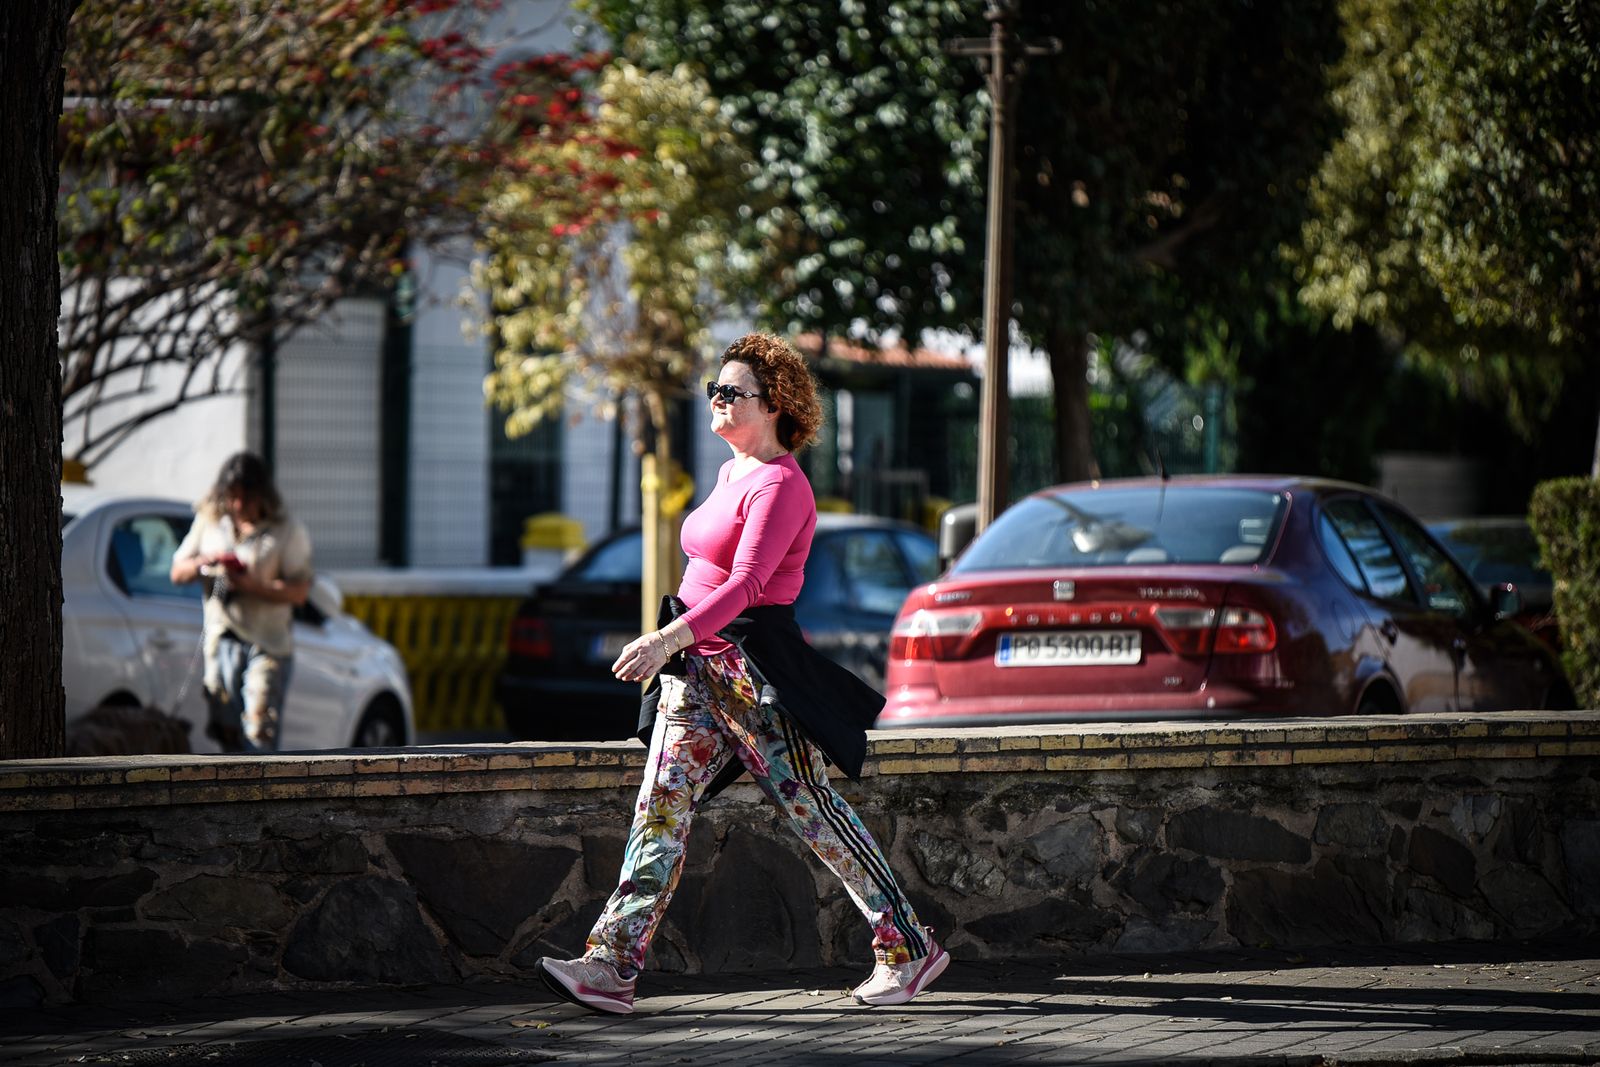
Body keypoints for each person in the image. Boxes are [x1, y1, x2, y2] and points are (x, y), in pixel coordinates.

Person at [535, 333, 948, 1015]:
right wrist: (680, 646)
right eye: (714, 390)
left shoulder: (782, 484)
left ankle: (907, 945)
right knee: (660, 807)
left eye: (732, 391)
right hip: (699, 671)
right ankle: (610, 963)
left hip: (753, 675)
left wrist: (667, 636)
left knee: (813, 809)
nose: (717, 400)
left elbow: (751, 584)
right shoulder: (732, 473)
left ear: (774, 403)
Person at [170, 452, 313, 752]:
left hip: (267, 644)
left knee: (258, 733)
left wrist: (253, 586)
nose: (237, 507)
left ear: (262, 496)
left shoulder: (286, 530)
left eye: (246, 500)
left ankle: (260, 797)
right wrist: (204, 564)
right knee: (227, 734)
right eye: (232, 498)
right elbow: (177, 572)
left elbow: (299, 591)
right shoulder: (209, 521)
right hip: (221, 640)